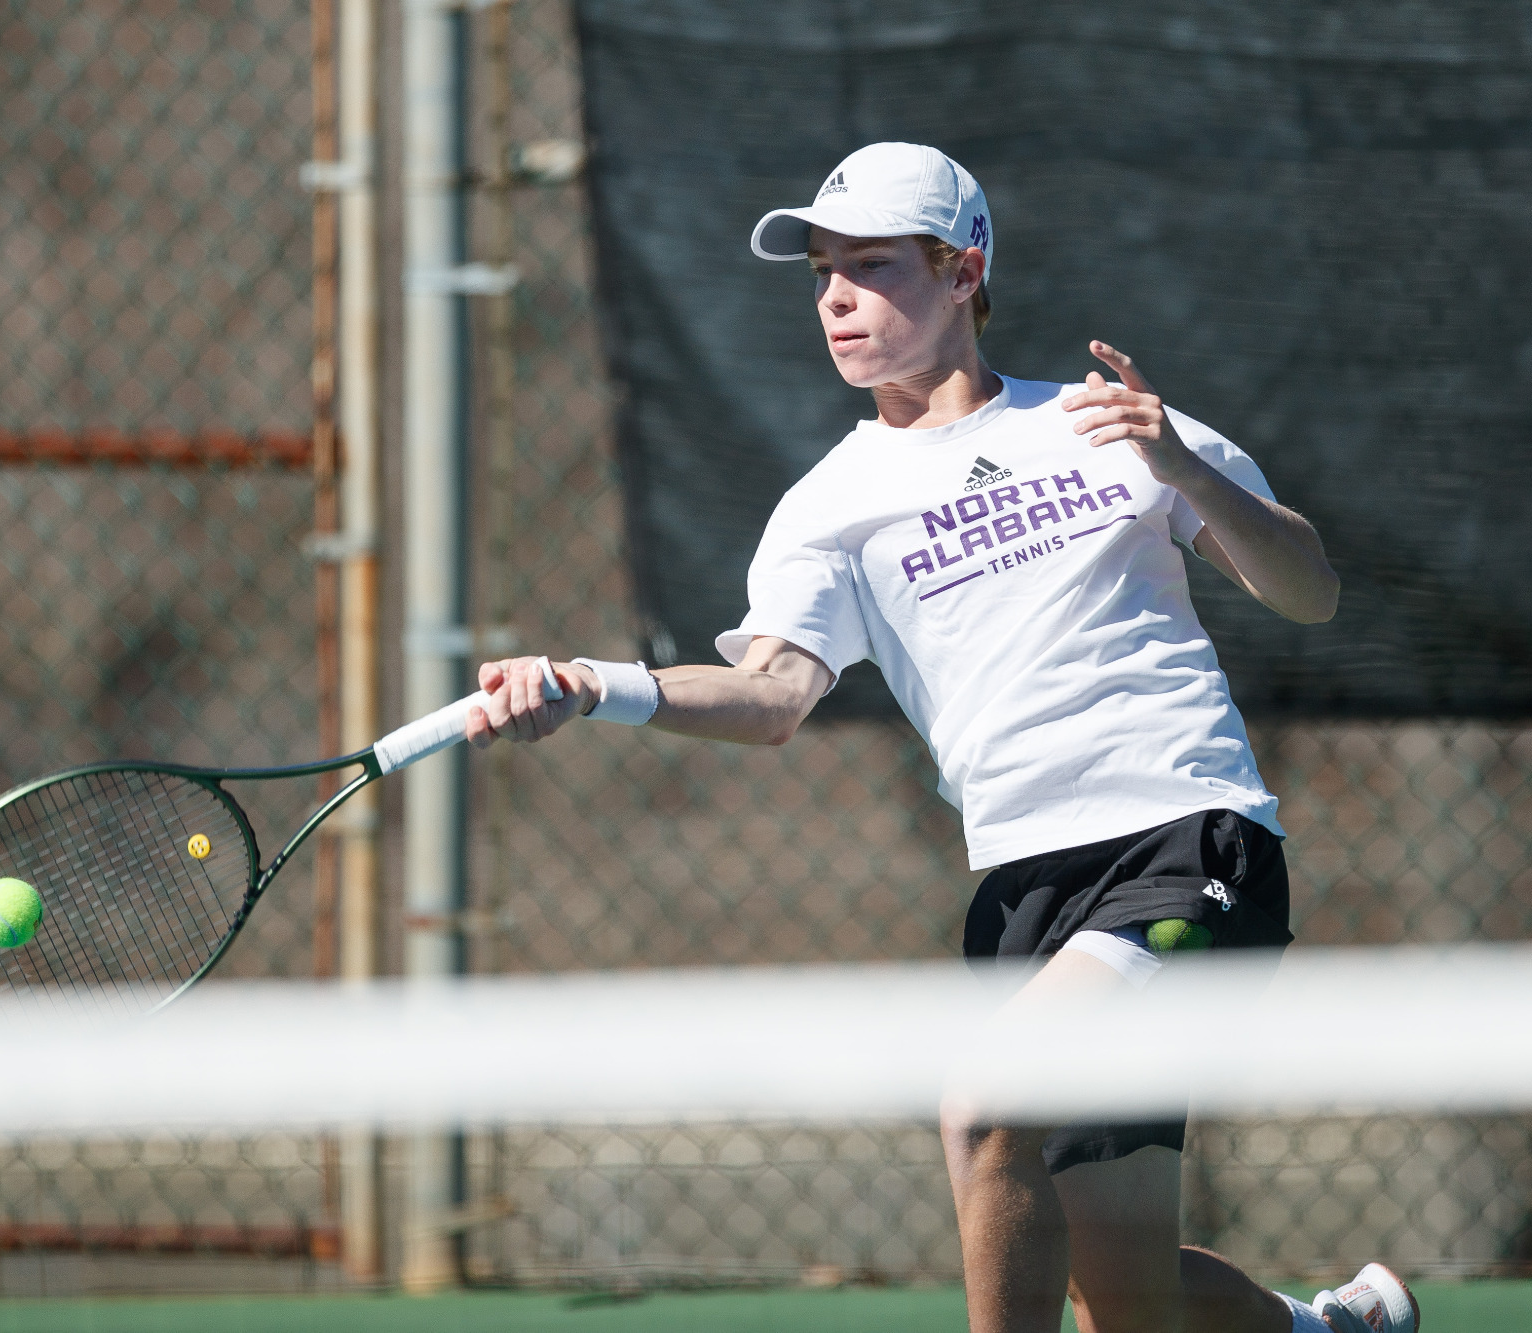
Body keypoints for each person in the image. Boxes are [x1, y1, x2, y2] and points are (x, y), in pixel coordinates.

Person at [462, 142, 1416, 1333]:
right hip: (1021, 892)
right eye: (820, 272)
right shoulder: (824, 507)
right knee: (1122, 1298)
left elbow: (1309, 591)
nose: (835, 298)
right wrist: (592, 684)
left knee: (981, 1104)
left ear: (962, 272)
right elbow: (771, 696)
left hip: (1187, 841)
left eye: (870, 267)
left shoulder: (1105, 426)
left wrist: (1181, 468)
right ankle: (1330, 1328)